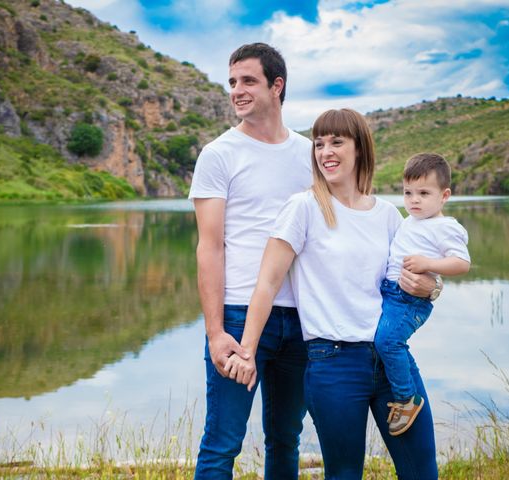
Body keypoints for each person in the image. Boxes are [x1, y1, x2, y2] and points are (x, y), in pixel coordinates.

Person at [226, 109, 439, 479]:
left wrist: (433, 287)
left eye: (337, 141)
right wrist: (247, 350)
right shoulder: (303, 208)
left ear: (360, 148)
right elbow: (267, 282)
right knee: (343, 474)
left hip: (391, 359)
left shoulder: (388, 215)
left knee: (422, 471)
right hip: (333, 363)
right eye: (319, 143)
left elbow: (416, 278)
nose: (326, 151)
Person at [188, 42, 313, 479]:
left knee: (285, 440)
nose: (237, 91)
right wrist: (215, 330)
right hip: (240, 315)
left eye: (248, 81)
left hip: (301, 318)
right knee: (223, 443)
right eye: (232, 82)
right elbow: (210, 246)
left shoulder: (310, 154)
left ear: (277, 86)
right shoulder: (218, 154)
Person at [375, 153, 470, 436]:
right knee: (384, 340)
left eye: (424, 193)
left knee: (389, 342)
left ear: (444, 196)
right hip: (392, 294)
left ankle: (406, 398)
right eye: (408, 193)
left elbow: (462, 263)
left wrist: (429, 265)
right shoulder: (410, 220)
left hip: (410, 300)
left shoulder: (446, 227)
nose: (414, 200)